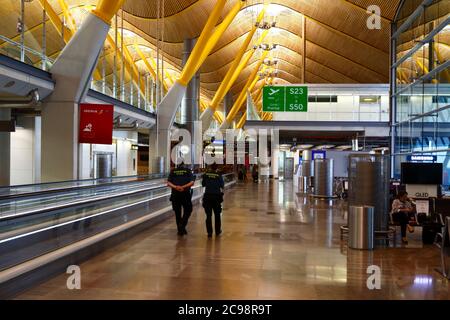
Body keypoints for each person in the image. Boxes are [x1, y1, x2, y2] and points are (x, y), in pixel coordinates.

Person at [167, 162, 196, 236]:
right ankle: (182, 225)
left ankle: (180, 230)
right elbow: (192, 182)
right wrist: (183, 187)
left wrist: (176, 187)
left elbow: (168, 183)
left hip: (175, 194)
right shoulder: (188, 171)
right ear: (184, 164)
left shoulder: (173, 171)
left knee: (177, 212)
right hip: (185, 194)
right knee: (188, 210)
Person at [202, 164, 225, 238]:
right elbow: (222, 185)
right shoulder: (219, 175)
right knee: (217, 214)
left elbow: (203, 184)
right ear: (217, 168)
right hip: (216, 196)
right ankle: (217, 231)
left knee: (208, 215)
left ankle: (209, 232)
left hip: (207, 196)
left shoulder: (206, 174)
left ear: (210, 167)